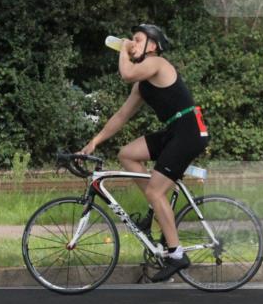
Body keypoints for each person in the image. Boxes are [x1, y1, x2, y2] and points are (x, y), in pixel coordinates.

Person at [80, 24, 210, 282]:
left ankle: (176, 255)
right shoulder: (142, 84)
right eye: (134, 41)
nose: (134, 44)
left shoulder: (157, 64)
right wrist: (94, 141)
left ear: (152, 46)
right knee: (127, 154)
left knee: (154, 190)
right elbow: (121, 116)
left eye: (139, 40)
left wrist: (123, 47)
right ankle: (157, 205)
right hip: (174, 130)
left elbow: (126, 73)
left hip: (189, 130)